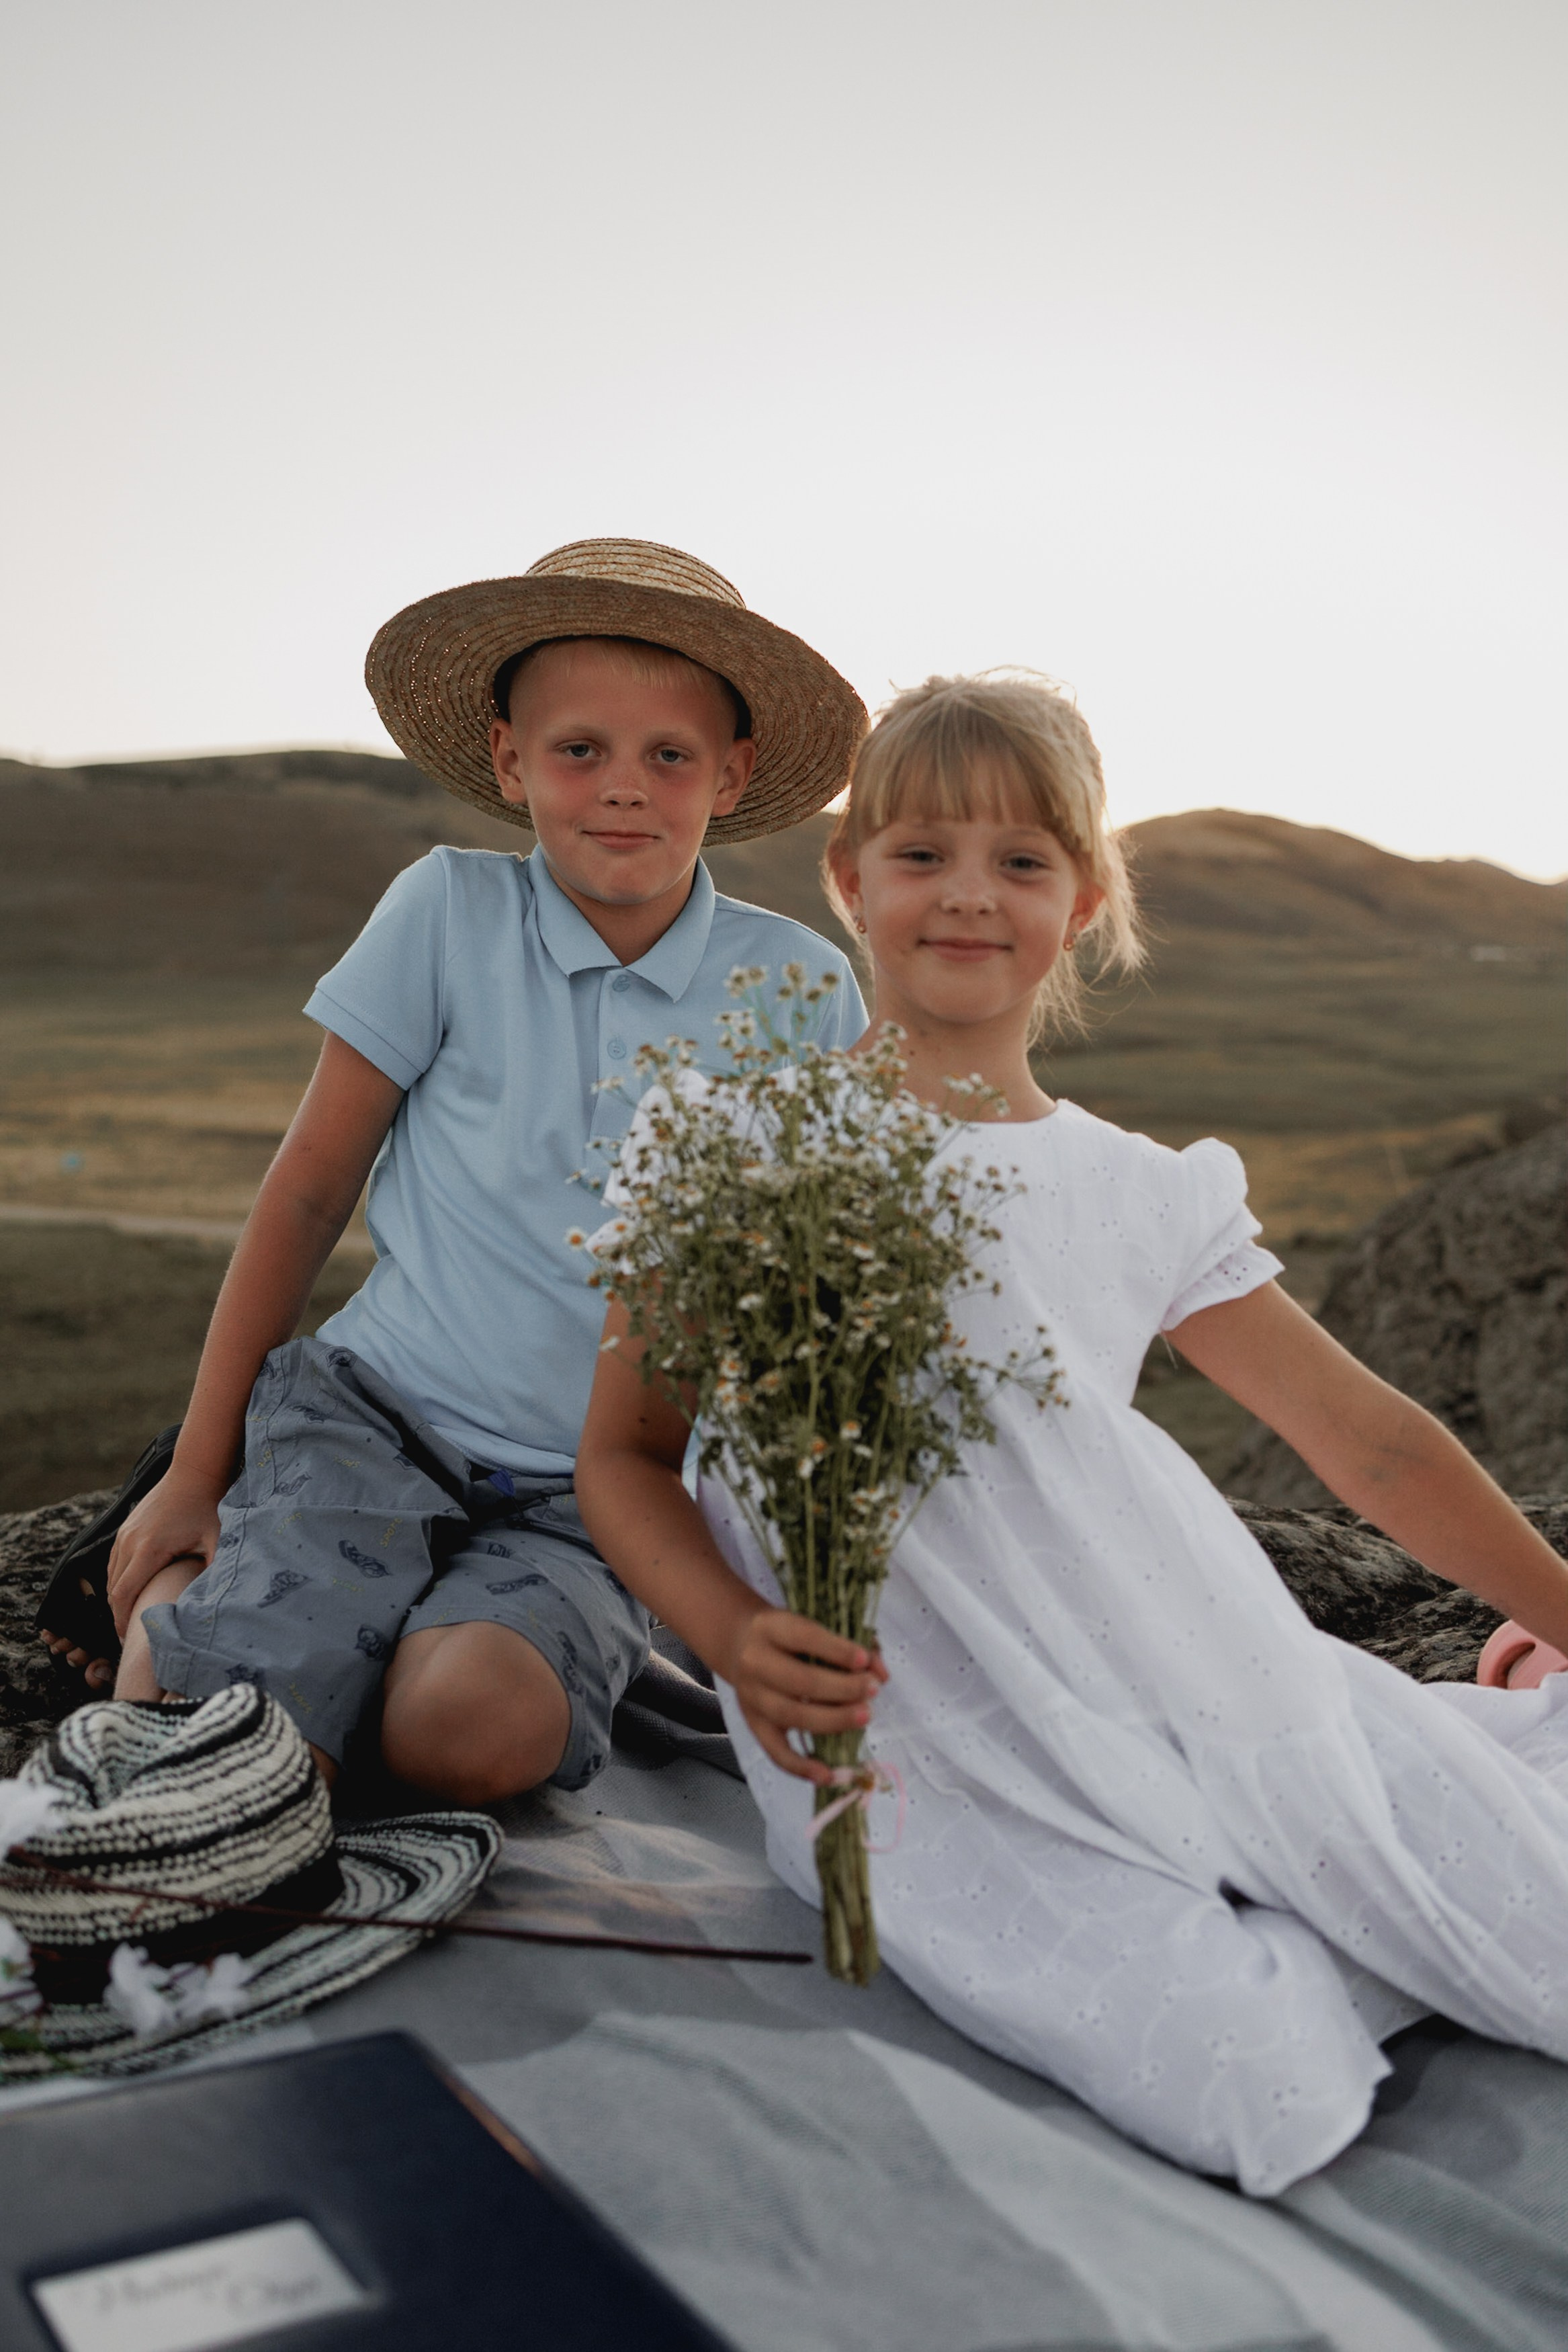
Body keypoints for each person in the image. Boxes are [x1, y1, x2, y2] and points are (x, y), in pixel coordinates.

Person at [575, 669, 1568, 2197]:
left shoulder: (1145, 1189)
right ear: (850, 881)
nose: (969, 897)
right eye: (922, 854)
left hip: (1191, 1679)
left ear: (1086, 898)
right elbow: (627, 1459)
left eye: (1023, 862)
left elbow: (1363, 1443)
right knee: (1261, 2089)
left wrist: (1562, 1606)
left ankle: (1350, 1854)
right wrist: (729, 1629)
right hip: (923, 1750)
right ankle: (1314, 1915)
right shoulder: (735, 1144)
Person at [60, 540, 867, 1808]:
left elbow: (811, 1292)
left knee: (464, 1735)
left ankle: (345, 1635)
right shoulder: (443, 910)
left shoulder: (801, 988)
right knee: (223, 1735)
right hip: (377, 1418)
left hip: (610, 1491)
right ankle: (185, 1585)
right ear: (508, 760)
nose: (623, 789)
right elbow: (311, 1188)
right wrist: (195, 1473)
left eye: (670, 755)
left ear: (734, 773)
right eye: (578, 749)